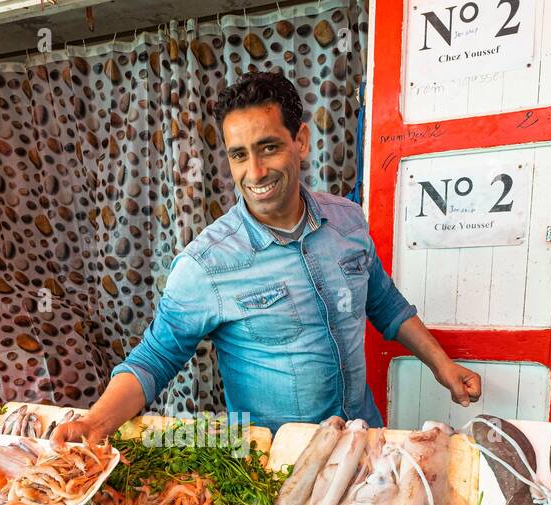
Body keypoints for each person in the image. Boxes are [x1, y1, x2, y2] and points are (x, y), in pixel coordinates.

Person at [52, 70, 481, 445]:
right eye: (239, 155)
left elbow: (385, 304)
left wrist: (441, 365)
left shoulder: (348, 222)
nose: (254, 172)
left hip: (365, 437)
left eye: (269, 147)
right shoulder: (206, 264)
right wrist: (96, 422)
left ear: (302, 141)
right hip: (276, 465)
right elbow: (154, 359)